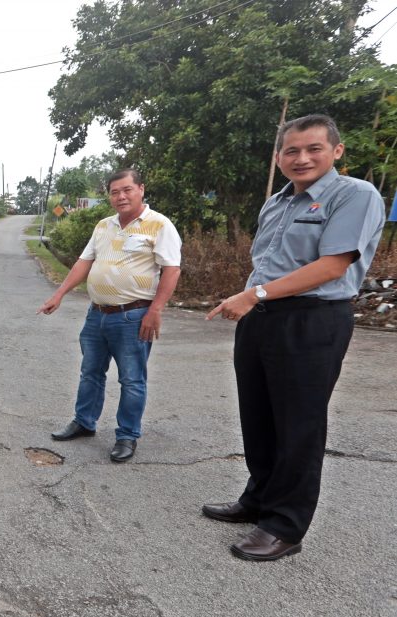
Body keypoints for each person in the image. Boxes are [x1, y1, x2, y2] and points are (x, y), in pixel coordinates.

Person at [205, 114, 385, 561]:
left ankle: (285, 524)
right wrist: (254, 299)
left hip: (312, 320)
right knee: (259, 415)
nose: (301, 158)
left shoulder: (354, 195)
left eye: (313, 149)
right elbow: (267, 261)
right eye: (292, 150)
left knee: (299, 424)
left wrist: (255, 293)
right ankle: (258, 499)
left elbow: (332, 266)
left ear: (336, 151)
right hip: (261, 317)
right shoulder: (278, 202)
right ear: (279, 157)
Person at [38, 169, 182, 462]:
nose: (121, 196)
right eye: (115, 192)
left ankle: (127, 436)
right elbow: (84, 262)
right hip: (97, 314)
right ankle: (84, 422)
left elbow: (172, 269)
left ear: (141, 189)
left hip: (133, 315)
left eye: (127, 189)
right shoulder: (104, 226)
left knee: (131, 379)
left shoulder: (159, 225)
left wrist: (155, 310)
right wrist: (59, 294)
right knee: (90, 372)